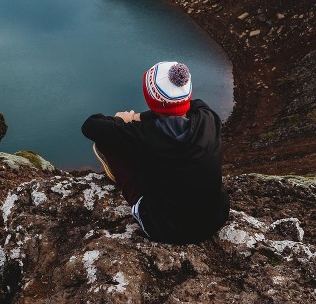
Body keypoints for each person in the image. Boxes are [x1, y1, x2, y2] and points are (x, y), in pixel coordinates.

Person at [81, 61, 229, 244]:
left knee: (106, 144)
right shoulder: (208, 117)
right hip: (216, 218)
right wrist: (137, 117)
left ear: (150, 98)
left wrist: (122, 120)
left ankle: (124, 180)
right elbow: (184, 108)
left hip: (167, 230)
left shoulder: (143, 135)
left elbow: (91, 125)